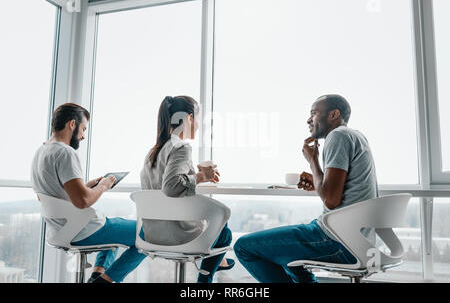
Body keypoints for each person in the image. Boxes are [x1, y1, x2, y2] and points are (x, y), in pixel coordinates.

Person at [233, 94, 379, 283]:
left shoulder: (337, 136)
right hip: (360, 241)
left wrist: (312, 161)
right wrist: (318, 180)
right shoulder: (357, 136)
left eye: (314, 113)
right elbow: (341, 189)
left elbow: (331, 200)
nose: (308, 119)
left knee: (243, 247)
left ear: (334, 114)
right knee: (285, 254)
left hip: (338, 240)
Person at [31, 103, 146, 283]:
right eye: (83, 128)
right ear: (71, 124)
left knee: (115, 226)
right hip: (81, 229)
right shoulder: (65, 153)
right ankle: (104, 281)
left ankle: (95, 276)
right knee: (147, 234)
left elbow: (48, 194)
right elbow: (83, 201)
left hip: (59, 230)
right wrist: (104, 186)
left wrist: (86, 185)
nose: (83, 135)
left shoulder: (41, 151)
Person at [140, 95, 234, 283]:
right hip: (177, 235)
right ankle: (204, 281)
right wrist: (201, 177)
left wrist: (191, 171)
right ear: (190, 118)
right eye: (198, 119)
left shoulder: (154, 151)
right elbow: (171, 186)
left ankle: (217, 263)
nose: (199, 125)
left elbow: (162, 184)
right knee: (225, 233)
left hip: (151, 234)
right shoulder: (181, 147)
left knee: (216, 232)